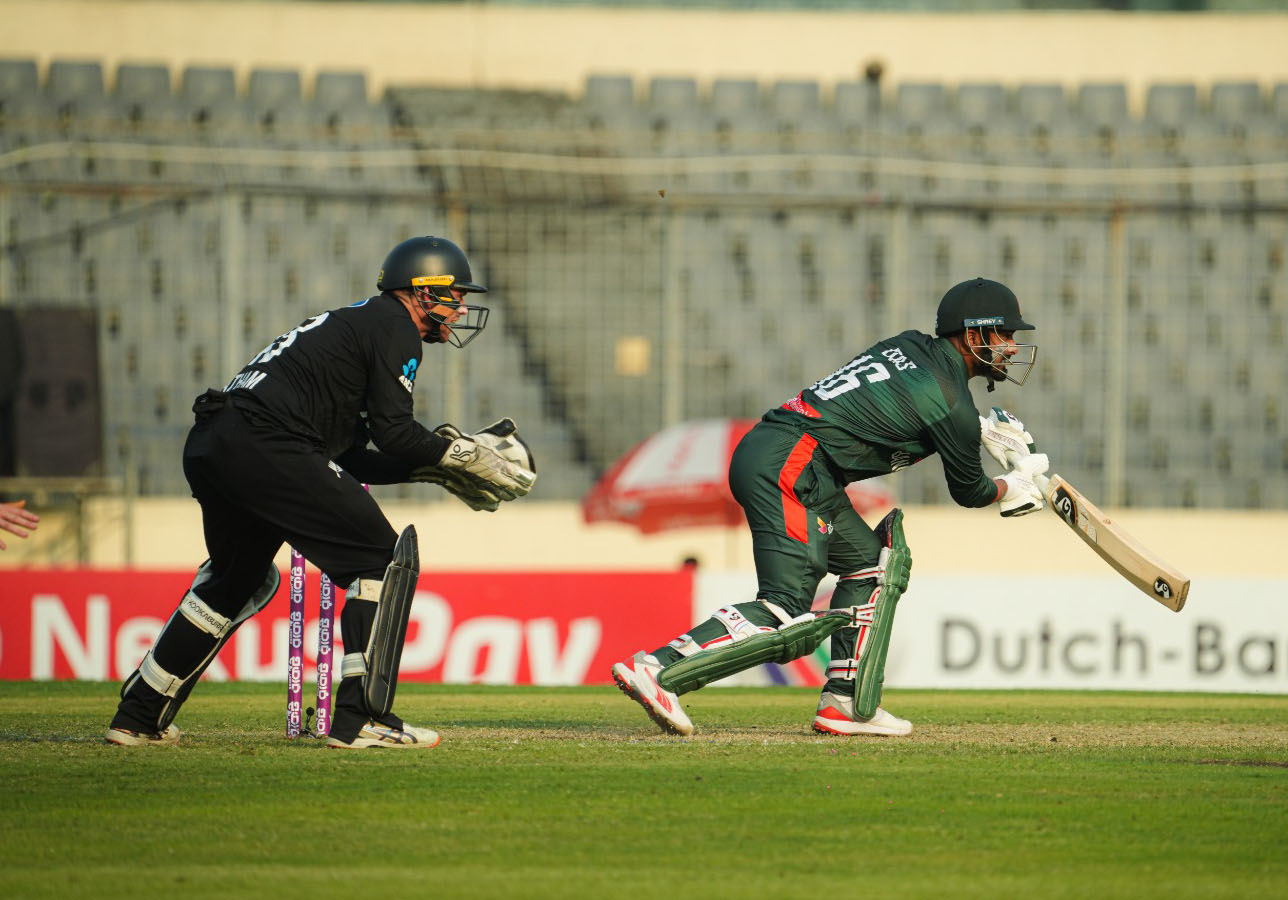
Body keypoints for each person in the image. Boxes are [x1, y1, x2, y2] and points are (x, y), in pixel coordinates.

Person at [106, 236, 535, 749]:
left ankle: (138, 716)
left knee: (236, 580)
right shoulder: (396, 327)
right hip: (268, 443)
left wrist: (433, 471)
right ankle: (362, 719)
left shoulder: (358, 325)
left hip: (217, 442)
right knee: (382, 558)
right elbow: (397, 433)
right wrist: (461, 455)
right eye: (453, 295)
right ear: (420, 291)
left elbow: (354, 454)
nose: (461, 307)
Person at [611, 277, 1049, 737]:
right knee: (784, 605)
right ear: (974, 334)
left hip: (793, 460)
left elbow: (898, 402)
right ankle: (657, 670)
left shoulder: (909, 347)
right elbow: (971, 491)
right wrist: (1012, 485)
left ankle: (846, 704)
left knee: (871, 566)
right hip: (792, 464)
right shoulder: (951, 404)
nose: (1013, 348)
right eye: (1006, 335)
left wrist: (980, 430)